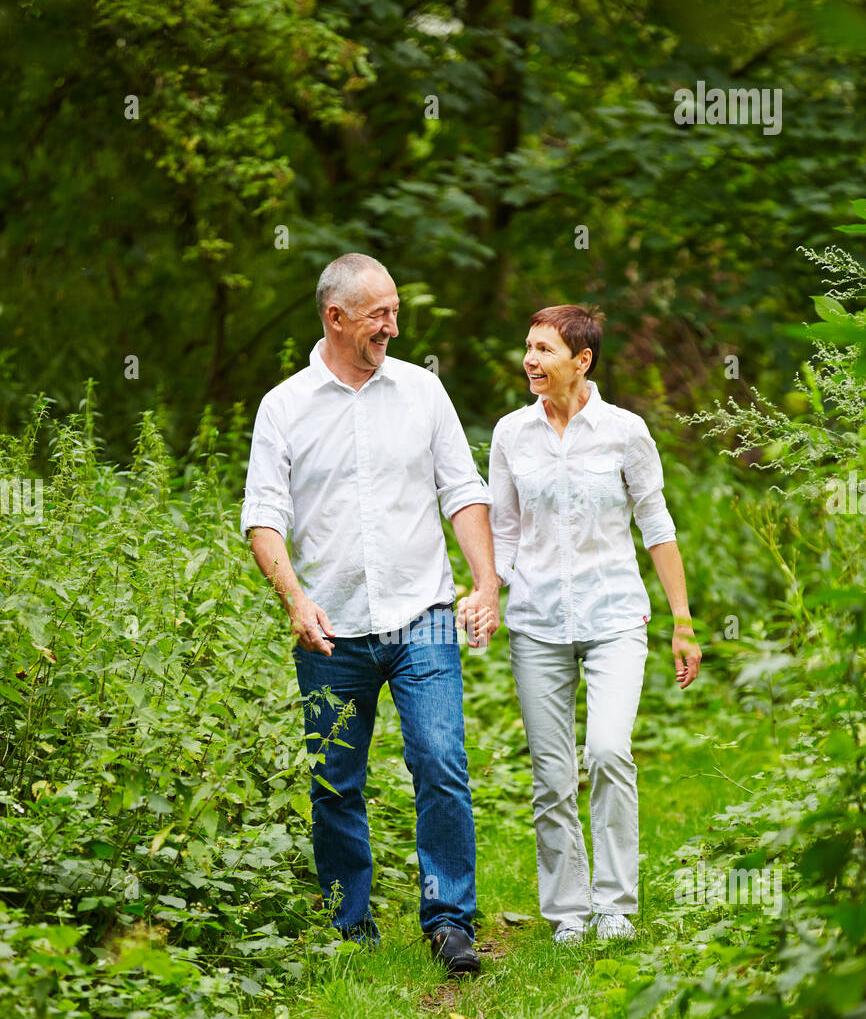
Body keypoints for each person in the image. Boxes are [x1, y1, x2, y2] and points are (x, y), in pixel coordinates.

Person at [240, 253, 500, 974]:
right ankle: (349, 926)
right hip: (332, 631)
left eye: (394, 311)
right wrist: (295, 600)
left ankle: (450, 921)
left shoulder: (422, 392)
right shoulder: (283, 407)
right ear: (335, 317)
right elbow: (264, 514)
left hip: (422, 614)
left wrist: (486, 583)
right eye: (378, 313)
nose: (392, 325)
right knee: (334, 780)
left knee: (441, 759)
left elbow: (462, 490)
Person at [485, 304, 701, 944]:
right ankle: (568, 912)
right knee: (551, 773)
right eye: (528, 346)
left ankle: (614, 904)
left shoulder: (626, 432)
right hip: (537, 622)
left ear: (582, 361)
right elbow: (503, 531)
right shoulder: (510, 435)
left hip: (613, 617)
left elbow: (657, 528)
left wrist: (682, 621)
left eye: (544, 350)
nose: (530, 359)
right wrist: (485, 591)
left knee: (608, 750)